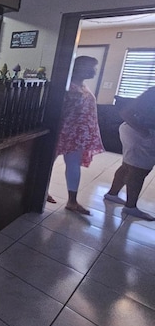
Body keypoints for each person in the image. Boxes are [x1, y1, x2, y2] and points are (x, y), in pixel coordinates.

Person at [48, 56, 105, 214]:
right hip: (64, 132)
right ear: (79, 68)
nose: (94, 71)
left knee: (73, 166)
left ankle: (72, 201)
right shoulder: (68, 88)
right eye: (90, 67)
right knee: (47, 163)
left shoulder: (82, 86)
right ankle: (42, 191)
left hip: (78, 135)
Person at [103, 86, 155, 221]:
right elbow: (126, 112)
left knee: (128, 166)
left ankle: (112, 194)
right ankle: (130, 206)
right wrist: (144, 132)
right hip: (141, 133)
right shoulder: (152, 93)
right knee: (139, 171)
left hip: (136, 132)